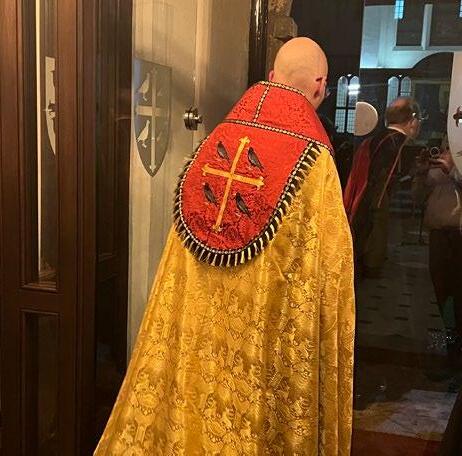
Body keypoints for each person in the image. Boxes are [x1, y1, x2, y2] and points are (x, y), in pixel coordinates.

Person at [95, 37, 355, 455]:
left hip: (199, 346)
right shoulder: (315, 161)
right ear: (321, 86)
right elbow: (330, 274)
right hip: (262, 350)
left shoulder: (213, 143)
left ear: (271, 77)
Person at [344, 97, 422, 278]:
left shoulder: (372, 140)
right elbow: (389, 187)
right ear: (412, 121)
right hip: (382, 211)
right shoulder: (401, 145)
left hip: (361, 204)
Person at [412, 139, 462, 366]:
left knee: (458, 291)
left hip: (458, 233)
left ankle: (457, 349)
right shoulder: (441, 156)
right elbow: (417, 197)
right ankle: (447, 344)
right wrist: (421, 172)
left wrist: (452, 169)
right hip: (439, 234)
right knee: (440, 290)